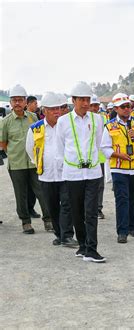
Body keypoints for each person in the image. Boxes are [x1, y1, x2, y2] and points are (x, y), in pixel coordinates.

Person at [56, 81, 106, 263]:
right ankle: (83, 246)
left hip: (92, 172)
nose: (85, 103)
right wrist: (66, 169)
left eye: (87, 99)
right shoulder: (63, 121)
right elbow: (60, 148)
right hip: (73, 174)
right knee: (77, 212)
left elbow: (100, 143)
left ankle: (92, 249)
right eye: (82, 100)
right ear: (73, 100)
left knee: (91, 212)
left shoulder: (97, 119)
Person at [26, 92, 77, 247]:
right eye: (53, 109)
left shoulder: (68, 126)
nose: (57, 112)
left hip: (66, 173)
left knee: (67, 205)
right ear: (44, 111)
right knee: (52, 207)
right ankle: (59, 234)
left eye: (60, 108)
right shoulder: (35, 129)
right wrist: (41, 163)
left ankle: (67, 235)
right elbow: (30, 149)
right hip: (46, 176)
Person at [0, 84, 52, 234]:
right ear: (10, 102)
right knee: (20, 194)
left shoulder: (33, 117)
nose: (17, 103)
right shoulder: (5, 122)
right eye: (14, 100)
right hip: (16, 164)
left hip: (34, 163)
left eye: (20, 100)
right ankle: (26, 222)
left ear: (25, 102)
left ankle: (48, 220)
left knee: (41, 191)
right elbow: (3, 143)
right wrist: (14, 152)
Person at [101, 93, 134, 243]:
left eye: (128, 106)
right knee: (122, 200)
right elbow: (104, 148)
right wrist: (118, 155)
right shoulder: (109, 126)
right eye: (123, 107)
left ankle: (132, 227)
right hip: (119, 169)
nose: (127, 109)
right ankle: (122, 231)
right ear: (116, 108)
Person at [89, 94, 107, 219]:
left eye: (96, 105)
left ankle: (98, 209)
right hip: (86, 158)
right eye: (92, 105)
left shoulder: (102, 119)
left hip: (99, 158)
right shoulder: (81, 120)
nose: (94, 108)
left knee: (99, 185)